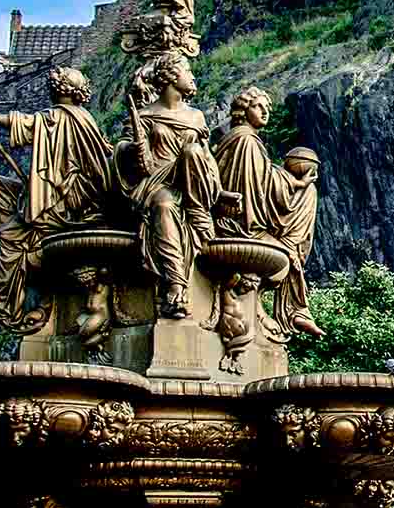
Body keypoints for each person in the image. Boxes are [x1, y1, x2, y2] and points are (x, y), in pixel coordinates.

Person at [0, 67, 114, 332]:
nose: (49, 90)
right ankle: (14, 233)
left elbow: (25, 122)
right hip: (70, 197)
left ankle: (4, 311)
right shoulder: (85, 118)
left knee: (12, 248)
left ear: (61, 90)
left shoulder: (59, 116)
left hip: (62, 204)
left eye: (53, 86)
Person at [114, 53, 224, 318]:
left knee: (192, 152)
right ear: (171, 77)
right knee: (164, 205)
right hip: (156, 182)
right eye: (187, 71)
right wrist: (132, 148)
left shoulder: (196, 117)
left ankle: (197, 210)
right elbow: (123, 151)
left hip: (191, 182)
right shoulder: (144, 115)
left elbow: (207, 157)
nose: (193, 77)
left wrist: (220, 190)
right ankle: (176, 285)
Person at [212, 87, 323, 337]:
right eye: (258, 106)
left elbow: (265, 176)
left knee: (307, 195)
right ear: (243, 111)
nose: (264, 112)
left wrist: (295, 182)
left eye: (267, 108)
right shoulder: (245, 141)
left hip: (242, 218)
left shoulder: (245, 141)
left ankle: (288, 311)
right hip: (243, 223)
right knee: (287, 252)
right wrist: (297, 183)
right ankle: (293, 312)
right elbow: (258, 184)